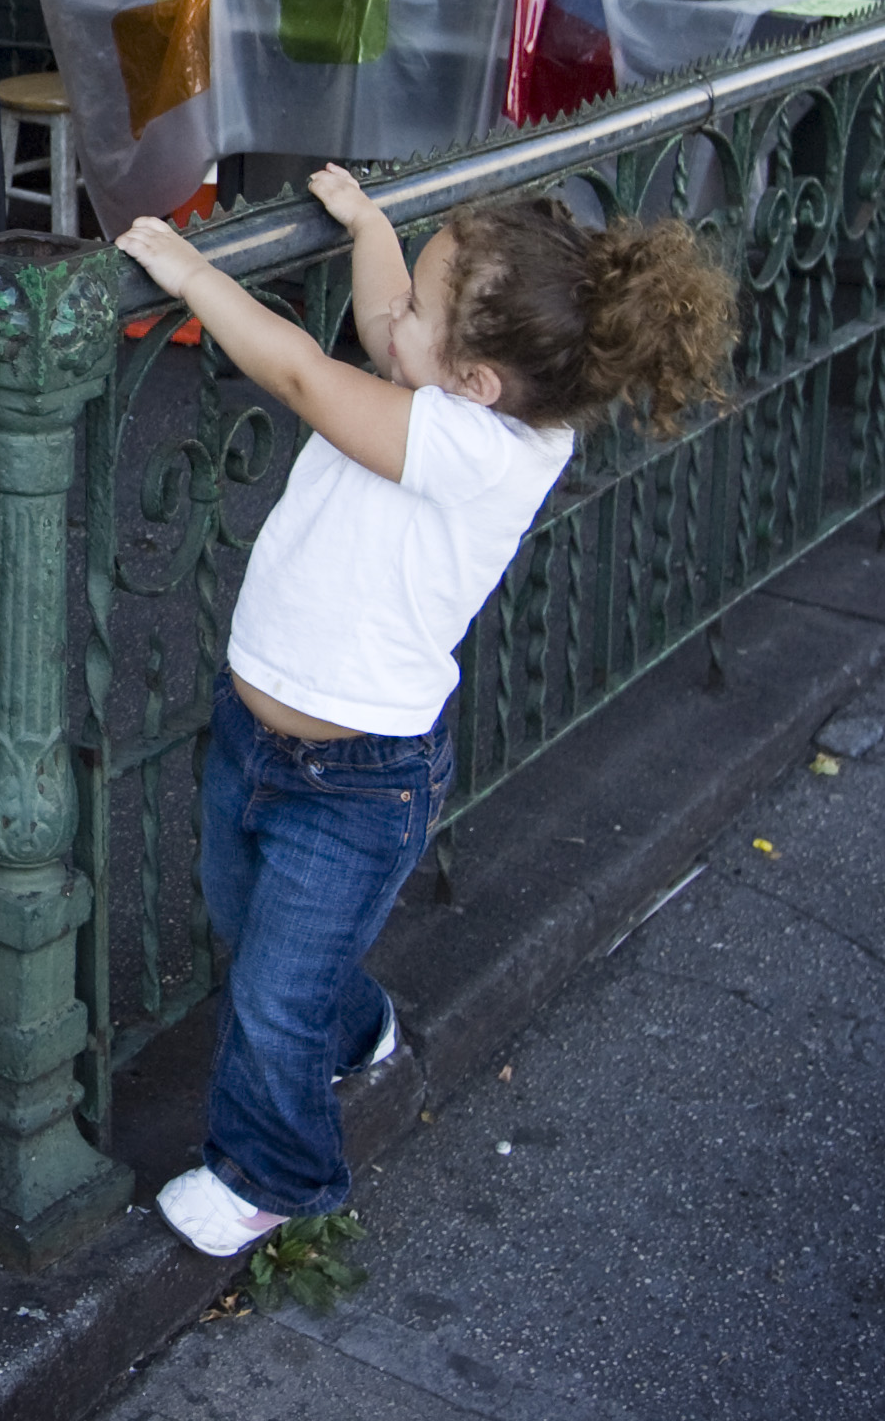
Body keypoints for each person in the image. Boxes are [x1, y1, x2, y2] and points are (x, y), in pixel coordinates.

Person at [116, 167, 734, 1257]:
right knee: (251, 932)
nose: (392, 313)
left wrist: (193, 273)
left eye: (420, 304)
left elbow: (302, 372)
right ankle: (358, 1025)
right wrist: (369, 227)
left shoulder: (475, 451)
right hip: (259, 738)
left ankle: (271, 1174)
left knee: (271, 991)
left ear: (477, 381)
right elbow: (378, 325)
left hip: (356, 784)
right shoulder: (456, 397)